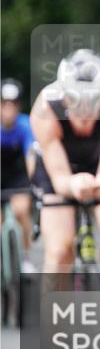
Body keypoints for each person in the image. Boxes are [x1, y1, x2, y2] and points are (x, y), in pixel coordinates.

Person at [29, 49, 100, 285]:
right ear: (65, 95)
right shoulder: (45, 108)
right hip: (58, 172)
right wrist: (73, 185)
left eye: (92, 101)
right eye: (77, 101)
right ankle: (56, 319)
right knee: (59, 252)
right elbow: (59, 178)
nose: (85, 110)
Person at [1, 78, 37, 272]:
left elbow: (30, 155)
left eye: (12, 104)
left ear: (19, 106)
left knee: (22, 210)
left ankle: (25, 256)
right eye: (4, 103)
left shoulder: (25, 125)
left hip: (17, 176)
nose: (8, 108)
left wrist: (32, 183)